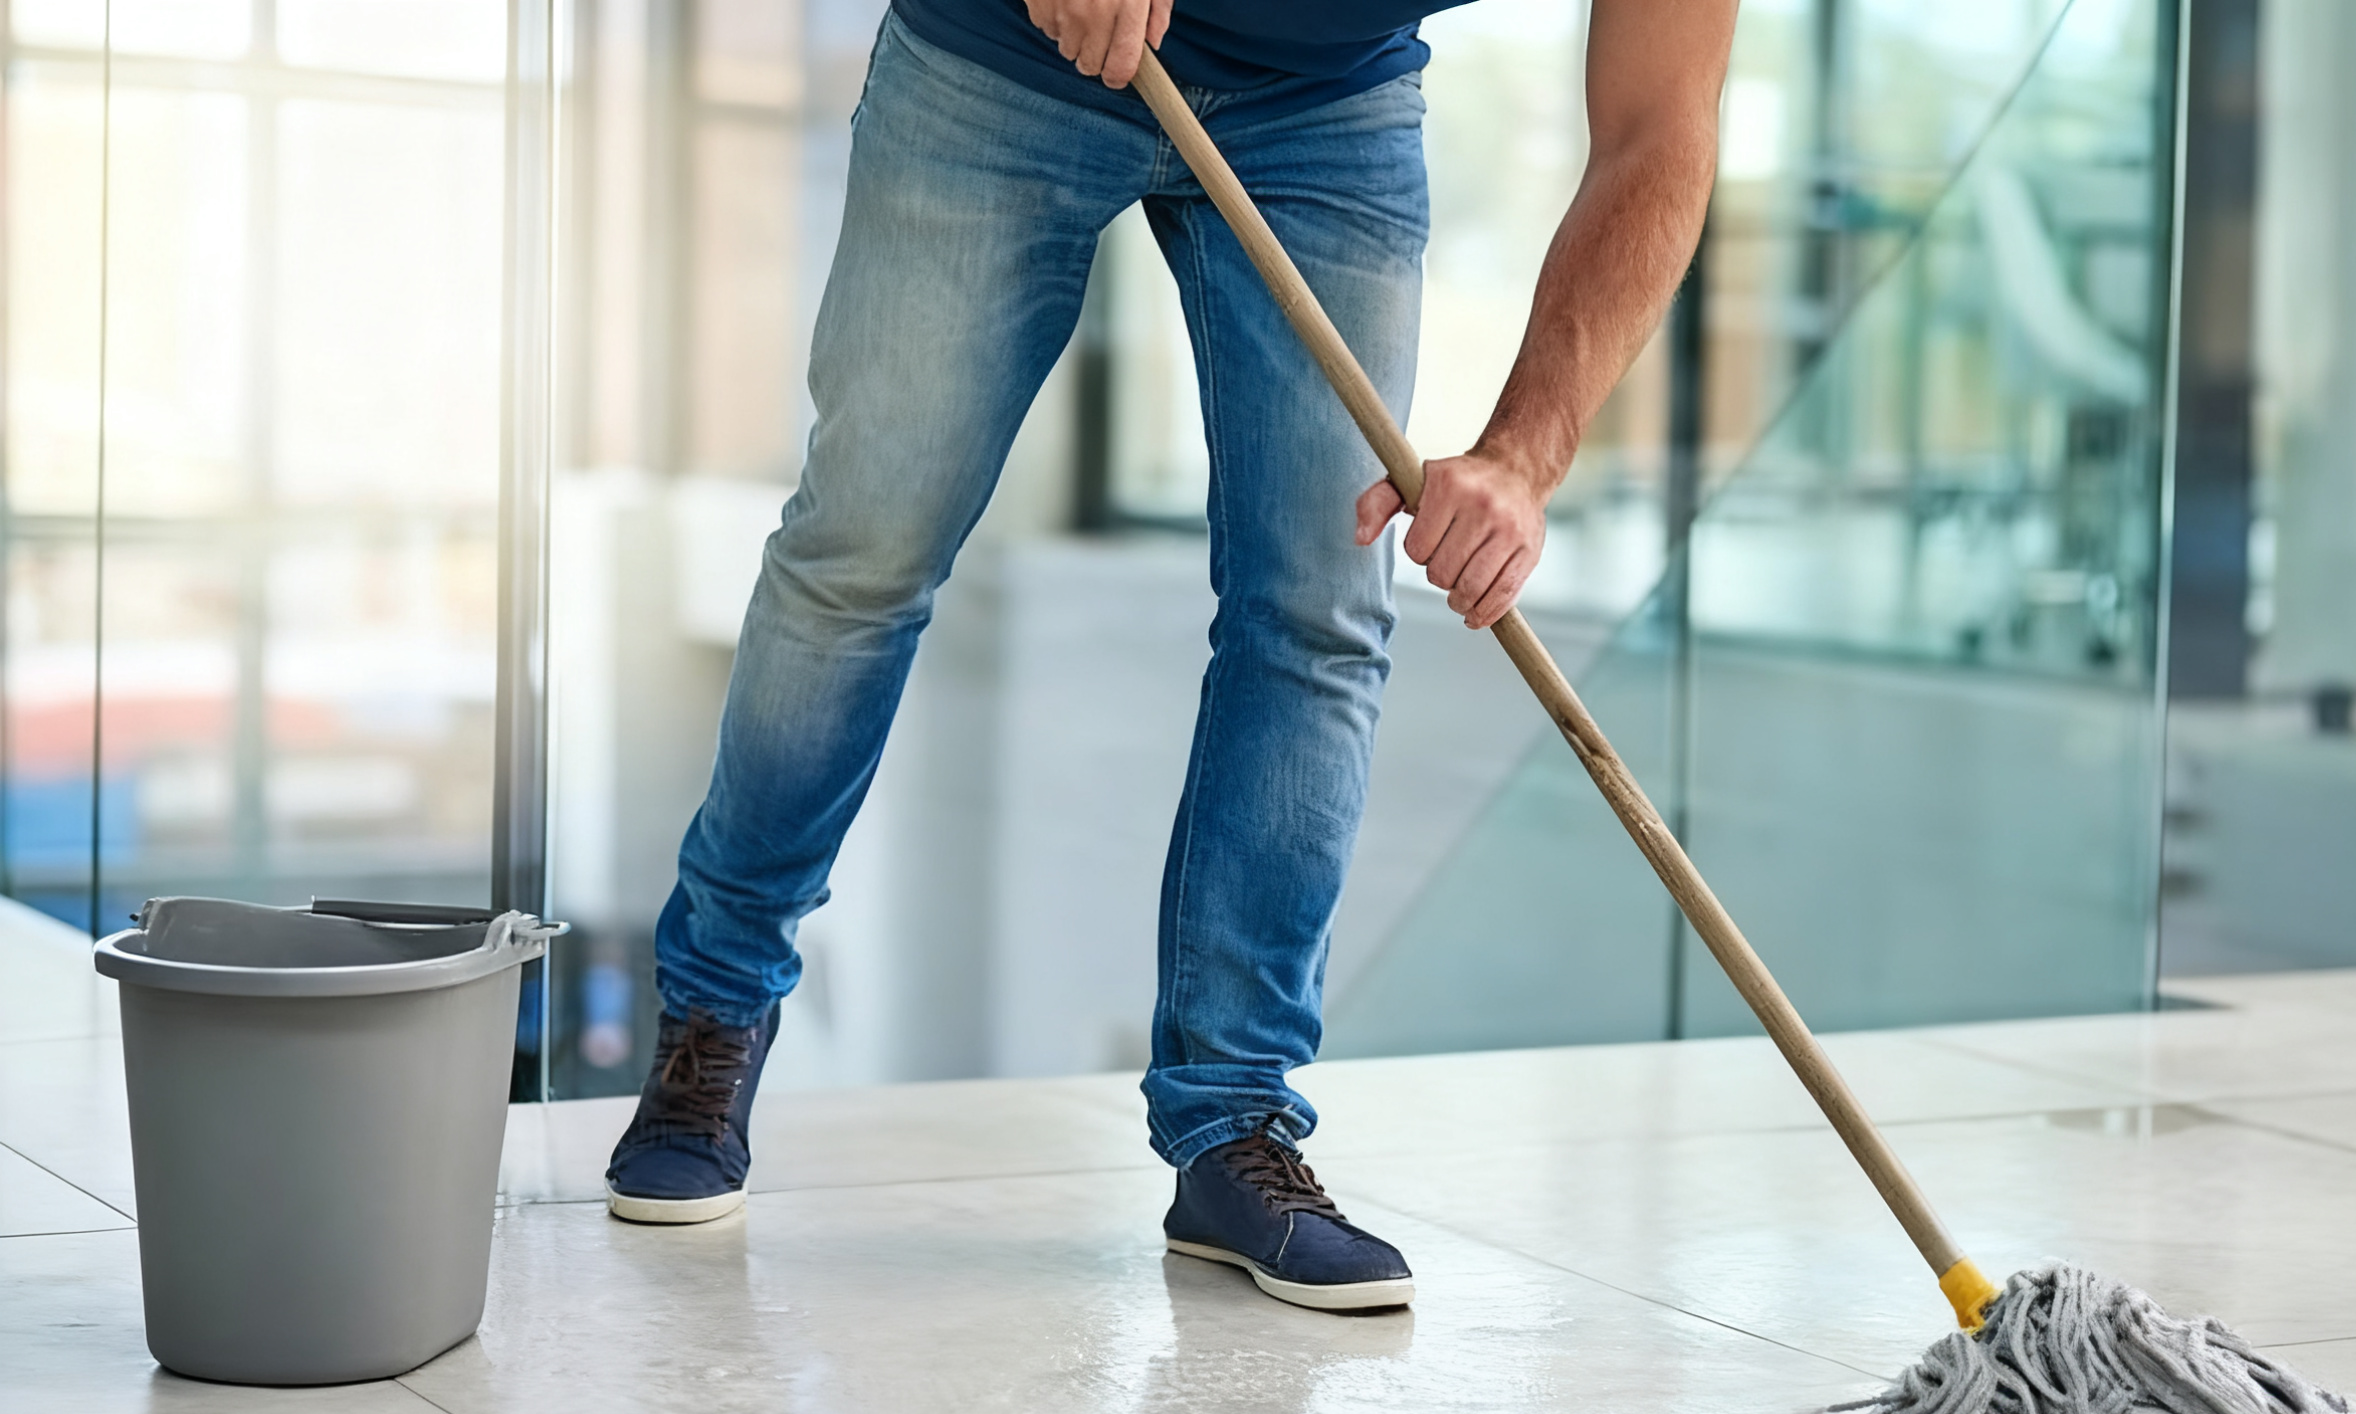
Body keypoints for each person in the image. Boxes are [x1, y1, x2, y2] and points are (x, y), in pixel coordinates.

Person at [602, 0, 1737, 1312]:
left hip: (1323, 110)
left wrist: (1527, 452)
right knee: (867, 544)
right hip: (1000, 62)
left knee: (1319, 610)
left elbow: (1658, 137)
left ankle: (1233, 1127)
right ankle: (713, 1014)